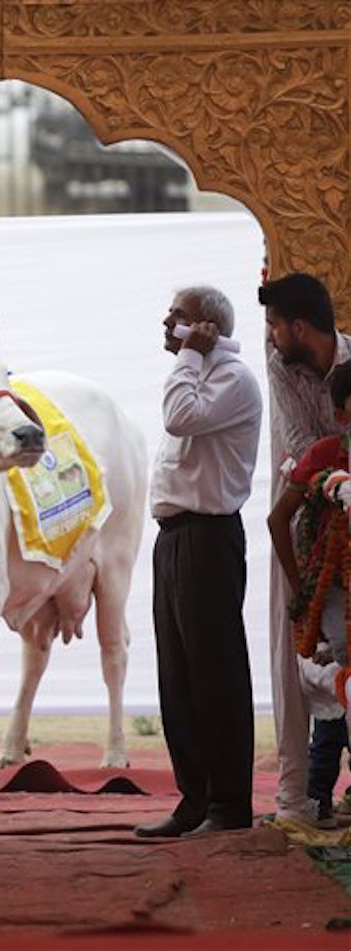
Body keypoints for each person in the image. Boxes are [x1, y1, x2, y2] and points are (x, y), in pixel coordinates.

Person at [135, 285, 262, 838]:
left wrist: (190, 354)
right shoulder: (198, 375)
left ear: (207, 327)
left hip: (210, 538)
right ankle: (196, 798)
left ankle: (229, 805)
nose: (167, 322)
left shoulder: (231, 379)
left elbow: (179, 419)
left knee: (216, 673)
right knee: (178, 676)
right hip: (175, 538)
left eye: (179, 316)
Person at [259, 273, 351, 824]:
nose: (270, 337)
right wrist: (302, 593)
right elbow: (299, 452)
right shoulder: (280, 368)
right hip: (307, 530)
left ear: (298, 326)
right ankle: (300, 796)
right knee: (310, 661)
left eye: (274, 326)